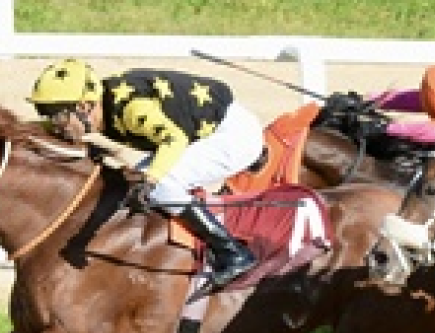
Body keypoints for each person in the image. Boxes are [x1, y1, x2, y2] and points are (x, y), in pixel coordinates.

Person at [27, 59, 260, 289]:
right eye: (47, 115)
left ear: (84, 107)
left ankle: (232, 251)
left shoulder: (131, 109)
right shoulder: (102, 104)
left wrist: (151, 180)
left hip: (232, 137)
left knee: (161, 184)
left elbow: (173, 140)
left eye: (58, 116)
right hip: (212, 124)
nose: (56, 126)